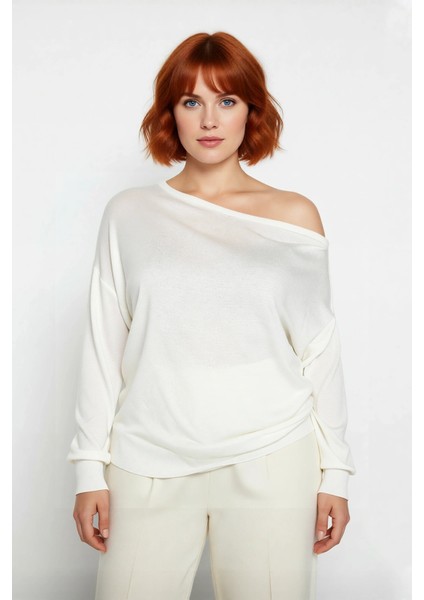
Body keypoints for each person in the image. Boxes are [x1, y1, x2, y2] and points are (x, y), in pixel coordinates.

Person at [68, 31, 356, 600]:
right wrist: (88, 469)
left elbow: (319, 349)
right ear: (169, 112)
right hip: (146, 460)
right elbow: (103, 346)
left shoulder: (294, 217)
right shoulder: (129, 215)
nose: (208, 119)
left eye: (226, 100)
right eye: (190, 101)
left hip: (273, 459)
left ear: (251, 110)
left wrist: (336, 474)